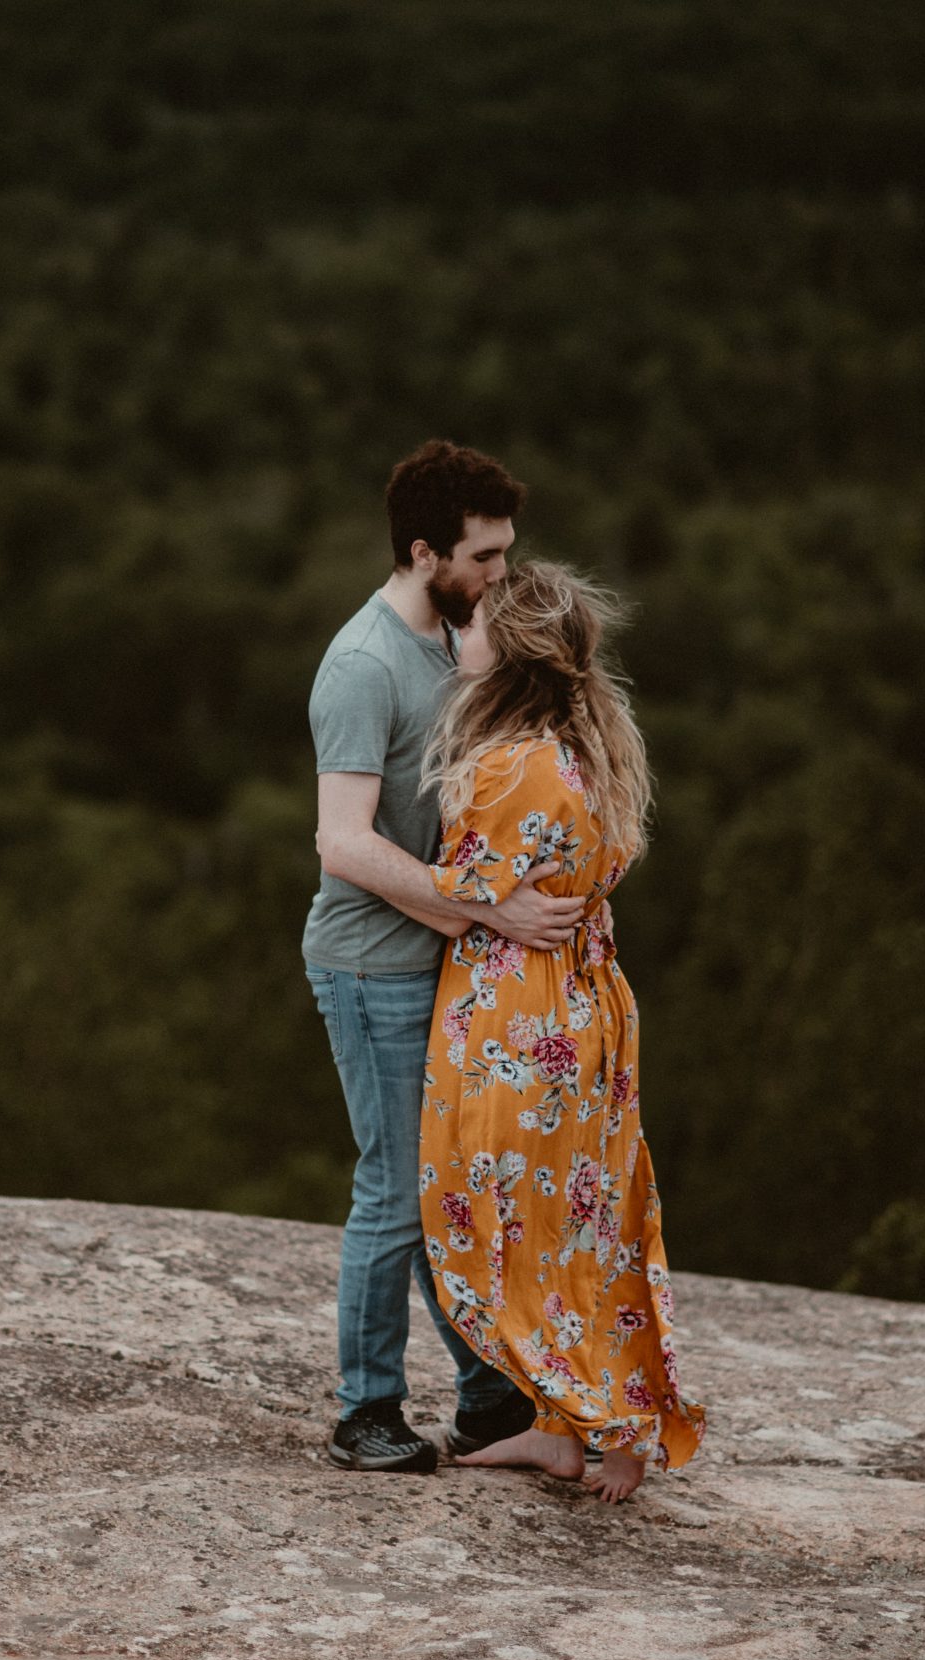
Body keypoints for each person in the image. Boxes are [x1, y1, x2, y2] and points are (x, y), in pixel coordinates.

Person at [306, 440, 587, 1473]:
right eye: (486, 557)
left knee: (450, 1184)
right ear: (426, 553)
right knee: (393, 1189)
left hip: (442, 964)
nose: (502, 576)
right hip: (371, 966)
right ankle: (364, 1412)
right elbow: (340, 842)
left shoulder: (455, 640)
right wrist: (486, 915)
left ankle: (482, 1398)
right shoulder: (363, 664)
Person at [416, 560, 706, 1503]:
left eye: (474, 626)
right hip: (586, 1009)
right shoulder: (590, 748)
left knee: (502, 1220)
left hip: (519, 1015)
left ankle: (602, 1424)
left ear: (510, 652)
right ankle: (572, 1431)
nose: (460, 635)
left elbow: (456, 888)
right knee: (586, 1221)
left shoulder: (511, 765)